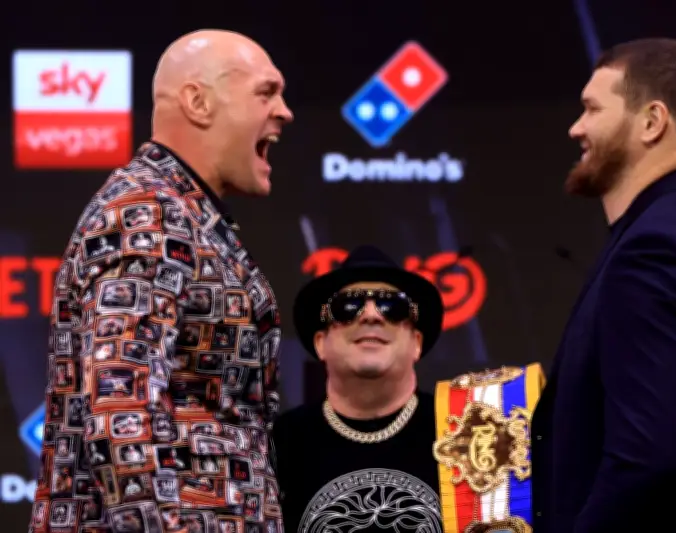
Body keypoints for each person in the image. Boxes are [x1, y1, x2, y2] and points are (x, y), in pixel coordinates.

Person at [27, 29, 293, 533]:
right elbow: (120, 410)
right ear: (198, 102)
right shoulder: (146, 213)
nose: (285, 111)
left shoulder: (181, 212)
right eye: (266, 92)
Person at [530, 38, 676, 533]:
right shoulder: (671, 230)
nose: (576, 127)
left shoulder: (660, 247)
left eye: (592, 109)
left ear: (652, 122)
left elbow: (647, 458)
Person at [272, 245, 445, 532]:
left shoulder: (464, 432)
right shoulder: (277, 444)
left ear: (416, 342)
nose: (371, 315)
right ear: (320, 343)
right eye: (348, 306)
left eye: (393, 306)